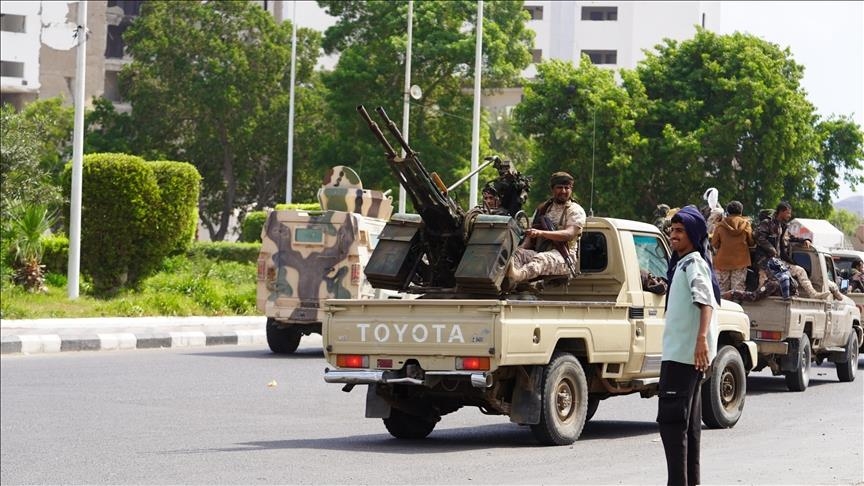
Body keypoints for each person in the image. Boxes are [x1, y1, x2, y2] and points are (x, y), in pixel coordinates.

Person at [657, 205, 720, 486]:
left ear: (694, 235)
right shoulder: (684, 262)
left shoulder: (693, 263)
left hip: (684, 357)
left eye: (680, 231)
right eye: (672, 230)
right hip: (683, 355)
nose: (673, 235)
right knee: (689, 428)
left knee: (672, 425)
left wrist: (700, 342)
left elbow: (705, 302)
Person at [507, 171, 586, 284]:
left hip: (564, 257)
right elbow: (530, 237)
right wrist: (521, 248)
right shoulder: (543, 209)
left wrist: (541, 233)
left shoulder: (575, 210)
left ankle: (517, 276)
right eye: (559, 187)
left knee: (541, 260)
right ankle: (512, 281)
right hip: (541, 251)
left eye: (566, 188)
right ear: (552, 189)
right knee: (518, 255)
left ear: (571, 189)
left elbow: (568, 234)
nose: (563, 191)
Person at [753, 201, 829, 299]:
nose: (790, 215)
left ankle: (813, 294)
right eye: (788, 213)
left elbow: (789, 238)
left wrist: (804, 240)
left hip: (778, 262)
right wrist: (771, 249)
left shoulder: (782, 226)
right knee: (763, 287)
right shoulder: (767, 223)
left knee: (800, 271)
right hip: (765, 262)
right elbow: (759, 237)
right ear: (781, 212)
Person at [711, 201, 754, 292]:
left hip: (722, 262)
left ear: (728, 212)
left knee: (722, 291)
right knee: (738, 290)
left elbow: (715, 243)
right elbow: (751, 242)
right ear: (741, 212)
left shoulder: (720, 225)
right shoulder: (746, 224)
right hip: (741, 261)